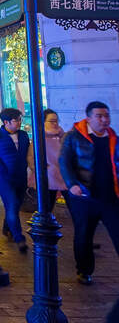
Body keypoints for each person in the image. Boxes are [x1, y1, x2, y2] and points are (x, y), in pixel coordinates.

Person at [59, 101, 119, 285]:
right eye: (99, 116)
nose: (104, 120)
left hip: (110, 197)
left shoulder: (113, 138)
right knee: (84, 235)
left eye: (106, 116)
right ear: (89, 118)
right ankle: (84, 271)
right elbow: (64, 162)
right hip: (84, 196)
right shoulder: (73, 137)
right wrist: (72, 184)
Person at [0, 108, 30, 253]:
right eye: (16, 120)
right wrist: (0, 168)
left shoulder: (23, 135)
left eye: (20, 119)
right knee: (13, 204)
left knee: (15, 206)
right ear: (6, 122)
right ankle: (19, 238)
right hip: (4, 178)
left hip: (21, 176)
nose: (19, 123)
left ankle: (7, 228)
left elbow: (28, 154)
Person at [28, 109, 67, 209]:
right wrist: (41, 171)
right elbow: (31, 158)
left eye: (56, 121)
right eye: (51, 121)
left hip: (64, 176)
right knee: (47, 206)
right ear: (43, 121)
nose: (55, 124)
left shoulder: (62, 136)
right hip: (47, 178)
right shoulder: (39, 138)